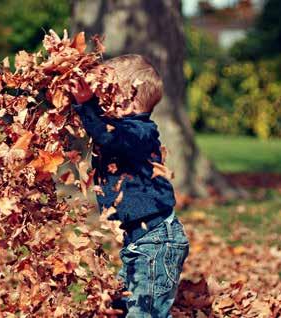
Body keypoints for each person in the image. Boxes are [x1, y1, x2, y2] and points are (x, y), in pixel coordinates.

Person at [70, 54, 189, 317]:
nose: (100, 99)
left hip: (156, 243)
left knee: (144, 313)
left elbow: (106, 137)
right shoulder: (122, 129)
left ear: (129, 100)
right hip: (139, 242)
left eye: (107, 92)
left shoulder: (139, 133)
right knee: (124, 306)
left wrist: (86, 104)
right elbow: (99, 127)